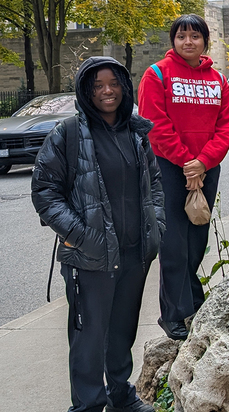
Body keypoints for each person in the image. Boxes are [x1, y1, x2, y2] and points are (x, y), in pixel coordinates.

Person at [32, 57, 165, 412]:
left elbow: (154, 183)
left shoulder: (135, 132)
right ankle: (88, 405)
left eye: (113, 83)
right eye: (97, 86)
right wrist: (78, 235)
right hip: (90, 258)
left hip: (134, 253)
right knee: (89, 339)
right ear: (85, 92)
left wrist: (158, 225)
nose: (107, 91)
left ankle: (121, 396)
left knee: (122, 333)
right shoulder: (68, 134)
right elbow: (45, 191)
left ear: (124, 86)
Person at [137, 14, 229, 340]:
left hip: (207, 168)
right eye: (182, 36)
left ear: (205, 41)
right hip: (168, 166)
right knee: (174, 243)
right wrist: (186, 161)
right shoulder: (156, 75)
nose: (188, 42)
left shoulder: (218, 80)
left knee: (197, 240)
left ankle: (193, 303)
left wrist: (204, 162)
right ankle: (174, 315)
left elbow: (226, 124)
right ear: (173, 41)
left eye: (195, 36)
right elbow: (155, 123)